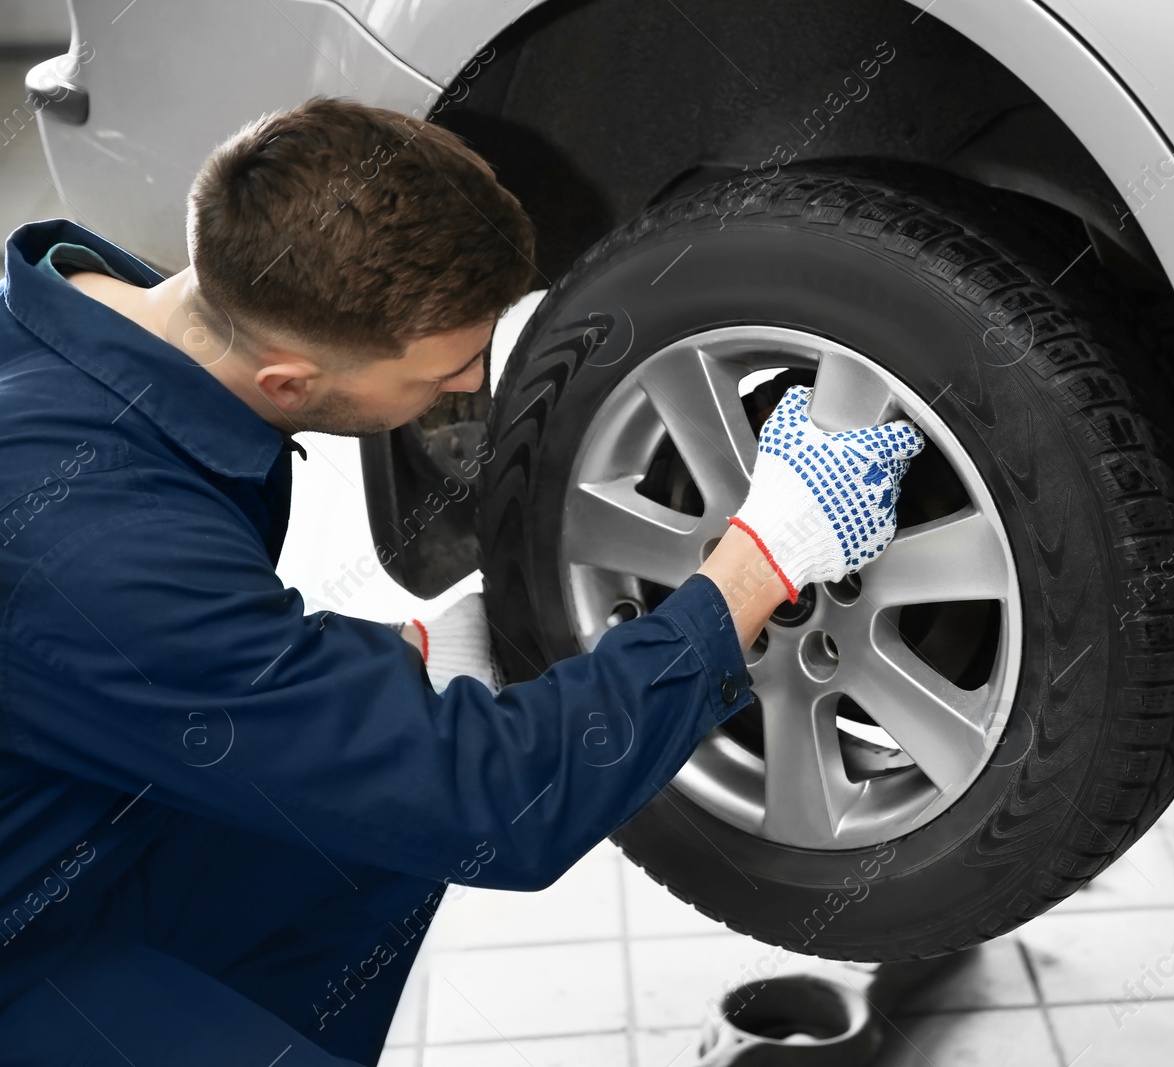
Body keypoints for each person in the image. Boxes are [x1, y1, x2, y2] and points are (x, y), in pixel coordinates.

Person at [0, 97, 924, 1065]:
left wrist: (385, 673)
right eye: (445, 370)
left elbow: (149, 657)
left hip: (81, 827)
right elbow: (491, 808)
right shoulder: (89, 541)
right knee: (433, 799)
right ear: (288, 380)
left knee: (371, 830)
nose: (471, 385)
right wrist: (762, 557)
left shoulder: (93, 326)